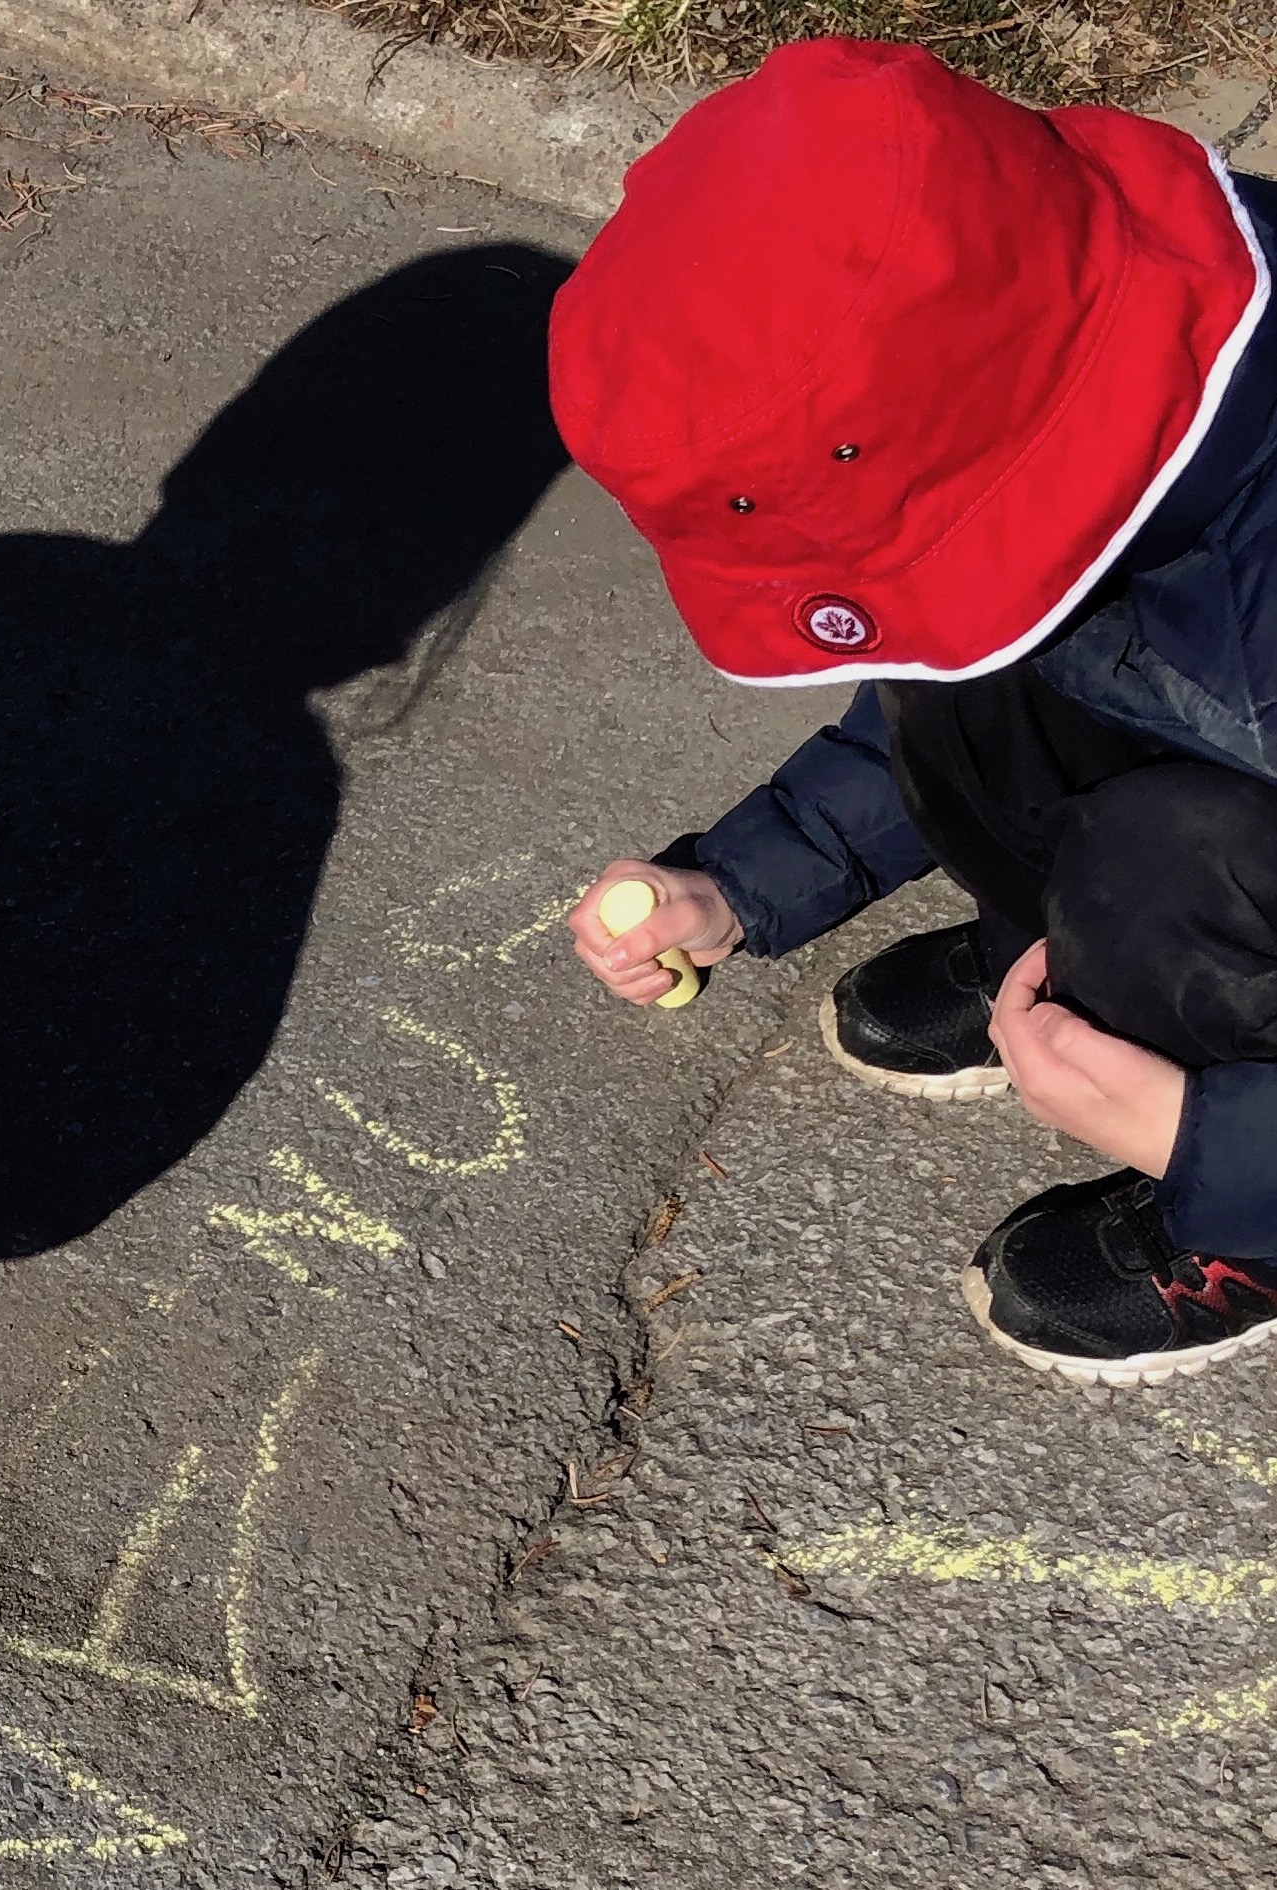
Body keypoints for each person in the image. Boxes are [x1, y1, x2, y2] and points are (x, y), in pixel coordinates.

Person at [556, 38, 1277, 1390]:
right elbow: (963, 654)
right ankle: (1057, 954)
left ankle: (1249, 1228)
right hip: (1216, 721)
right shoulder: (1130, 323)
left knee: (1166, 852)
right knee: (971, 674)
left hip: (1225, 844)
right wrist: (734, 879)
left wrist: (1206, 1129)